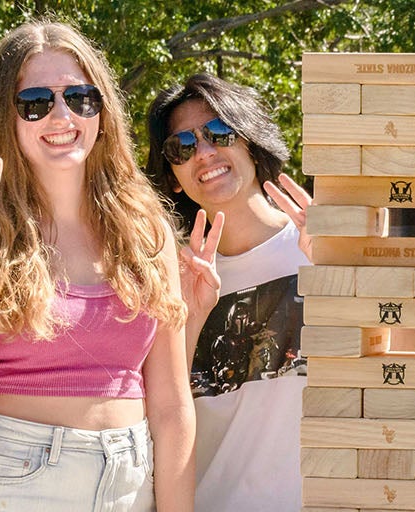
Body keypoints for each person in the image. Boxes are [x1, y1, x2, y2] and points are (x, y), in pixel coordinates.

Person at [0, 21, 195, 511]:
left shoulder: (148, 231)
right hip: (14, 482)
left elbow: (170, 405)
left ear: (102, 110)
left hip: (131, 482)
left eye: (81, 97)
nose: (62, 115)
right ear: (4, 118)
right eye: (36, 102)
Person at [144, 72, 314, 509]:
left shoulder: (320, 248)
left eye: (219, 131)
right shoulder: (170, 279)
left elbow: (404, 364)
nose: (204, 152)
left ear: (251, 143)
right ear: (174, 178)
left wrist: (345, 272)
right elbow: (156, 412)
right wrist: (189, 317)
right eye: (181, 147)